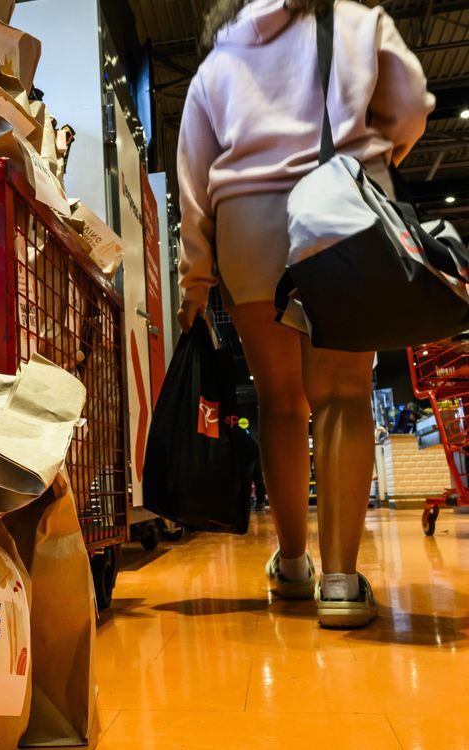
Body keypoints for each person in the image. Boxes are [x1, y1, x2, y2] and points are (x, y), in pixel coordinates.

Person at [176, 0, 433, 627]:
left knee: (280, 400)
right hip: (340, 215)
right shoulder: (356, 23)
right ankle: (342, 582)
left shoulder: (218, 60)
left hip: (247, 231)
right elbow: (412, 107)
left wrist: (196, 277)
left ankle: (292, 566)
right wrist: (381, 152)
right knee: (342, 393)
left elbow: (194, 173)